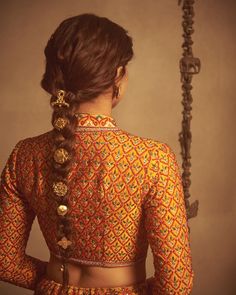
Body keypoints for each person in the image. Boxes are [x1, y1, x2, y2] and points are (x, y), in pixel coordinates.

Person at [0, 13, 194, 295]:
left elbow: (5, 261)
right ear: (117, 74)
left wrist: (55, 283)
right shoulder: (153, 160)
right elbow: (177, 285)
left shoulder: (24, 155)